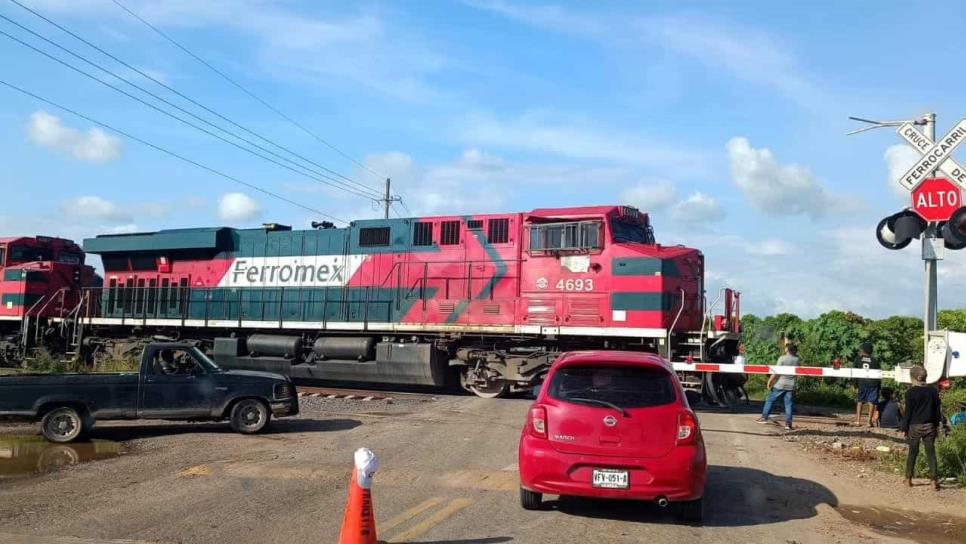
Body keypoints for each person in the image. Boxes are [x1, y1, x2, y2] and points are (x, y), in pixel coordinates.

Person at [900, 365, 951, 491]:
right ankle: (934, 481)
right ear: (925, 378)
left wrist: (904, 428)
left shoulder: (910, 393)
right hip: (929, 426)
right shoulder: (933, 391)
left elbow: (908, 413)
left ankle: (908, 479)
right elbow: (936, 411)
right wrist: (937, 426)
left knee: (913, 452)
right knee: (931, 453)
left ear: (914, 378)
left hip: (914, 427)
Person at [755, 343, 800, 431]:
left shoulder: (782, 358)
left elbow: (776, 371)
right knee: (788, 405)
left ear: (787, 349)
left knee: (770, 400)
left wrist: (769, 381)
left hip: (781, 384)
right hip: (791, 385)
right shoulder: (797, 359)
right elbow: (798, 371)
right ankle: (788, 424)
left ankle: (764, 417)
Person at [852, 342, 881, 427]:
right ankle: (869, 422)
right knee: (871, 402)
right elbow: (878, 374)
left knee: (860, 401)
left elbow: (855, 373)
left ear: (863, 350)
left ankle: (857, 420)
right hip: (873, 383)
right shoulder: (875, 360)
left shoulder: (858, 359)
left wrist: (855, 384)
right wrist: (879, 386)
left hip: (862, 383)